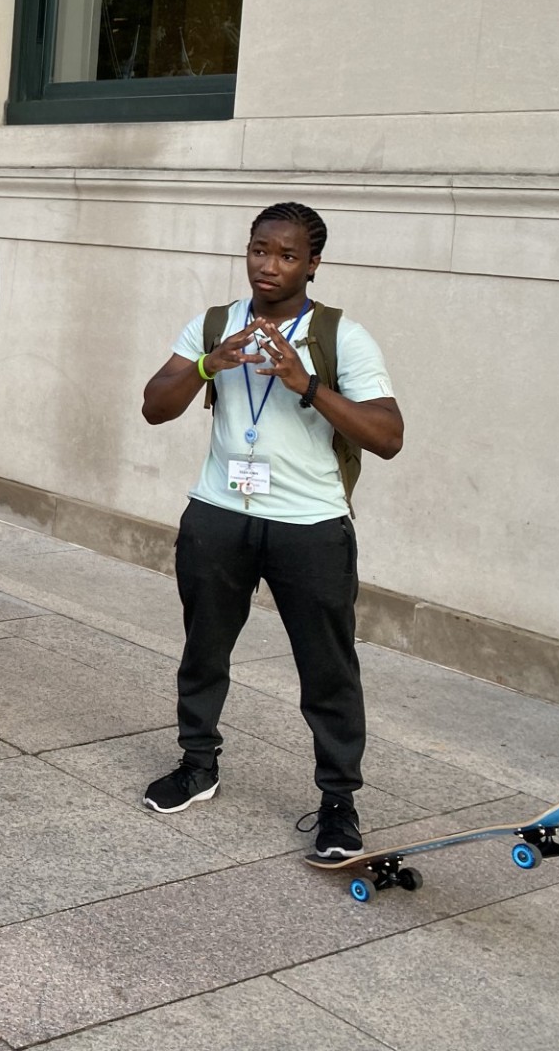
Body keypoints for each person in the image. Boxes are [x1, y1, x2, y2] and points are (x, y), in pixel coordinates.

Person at [139, 201, 403, 862]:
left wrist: (305, 383)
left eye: (287, 255)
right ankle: (197, 765)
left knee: (328, 669)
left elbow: (388, 436)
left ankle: (339, 803)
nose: (269, 265)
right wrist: (209, 364)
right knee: (204, 650)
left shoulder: (343, 336)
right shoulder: (212, 324)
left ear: (313, 264)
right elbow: (153, 405)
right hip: (219, 515)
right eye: (260, 249)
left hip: (309, 525)